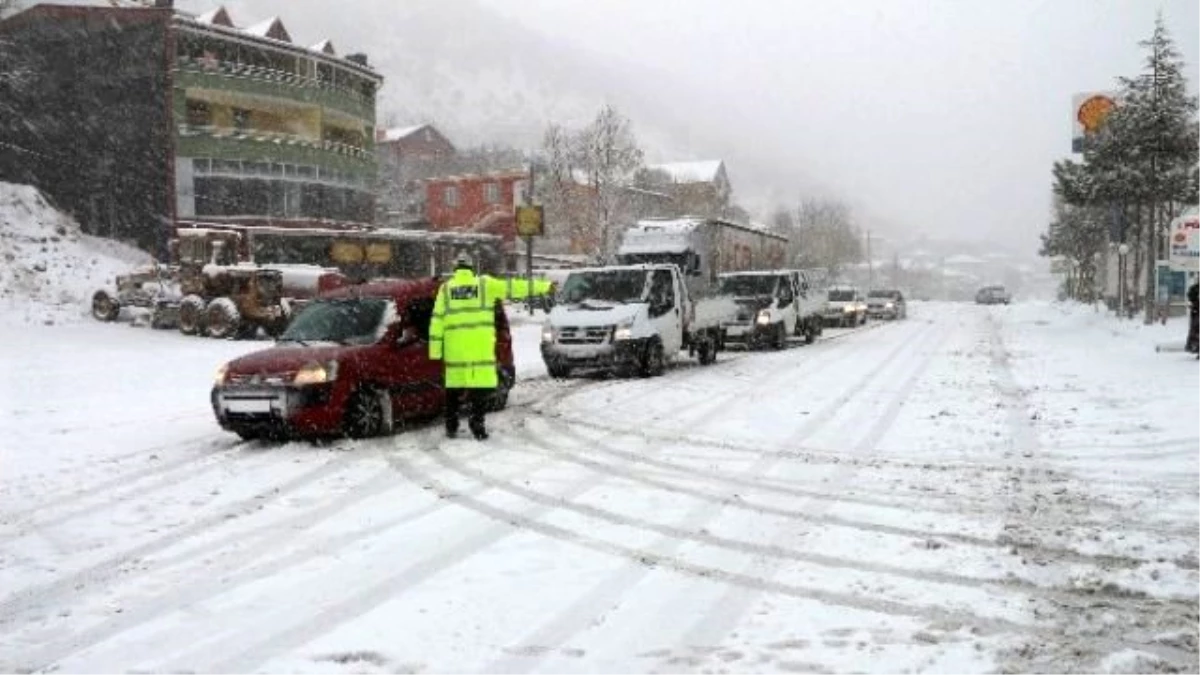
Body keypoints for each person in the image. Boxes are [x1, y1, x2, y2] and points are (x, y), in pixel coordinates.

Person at [429, 251, 553, 440]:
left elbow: (436, 322)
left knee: (453, 391)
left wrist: (435, 352)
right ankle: (477, 425)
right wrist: (545, 286)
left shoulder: (446, 290)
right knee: (479, 391)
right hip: (479, 350)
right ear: (472, 268)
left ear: (455, 269)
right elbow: (513, 287)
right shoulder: (484, 285)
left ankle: (451, 426)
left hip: (456, 353)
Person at [1187, 276, 1200, 359]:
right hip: (1197, 313)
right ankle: (1196, 347)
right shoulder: (1195, 288)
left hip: (1196, 312)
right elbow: (1190, 296)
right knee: (1196, 331)